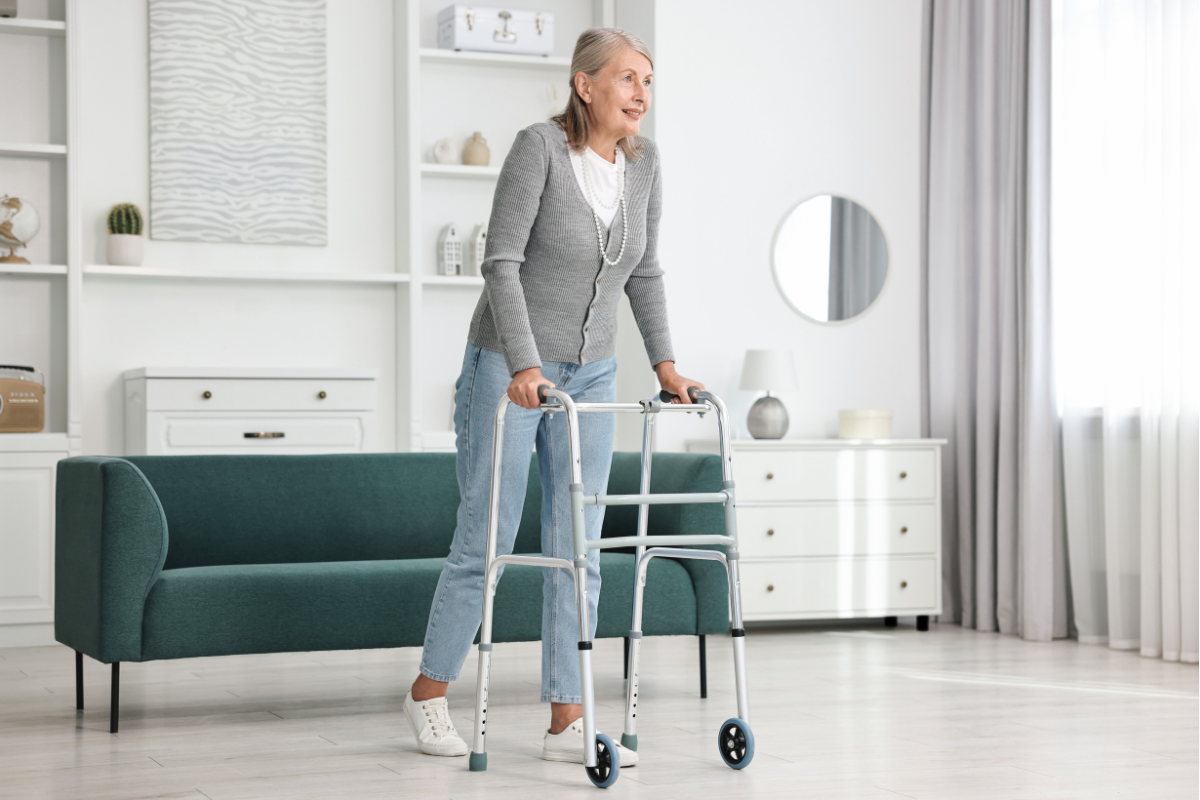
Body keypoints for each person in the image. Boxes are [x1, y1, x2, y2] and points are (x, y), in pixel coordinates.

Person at [403, 27, 703, 767]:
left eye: (649, 81)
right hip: (505, 367)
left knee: (579, 545)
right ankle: (427, 693)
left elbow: (645, 273)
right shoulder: (538, 148)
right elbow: (499, 263)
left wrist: (666, 367)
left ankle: (568, 719)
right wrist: (526, 365)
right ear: (585, 85)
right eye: (628, 79)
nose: (641, 94)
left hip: (593, 371)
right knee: (488, 537)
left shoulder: (645, 165)